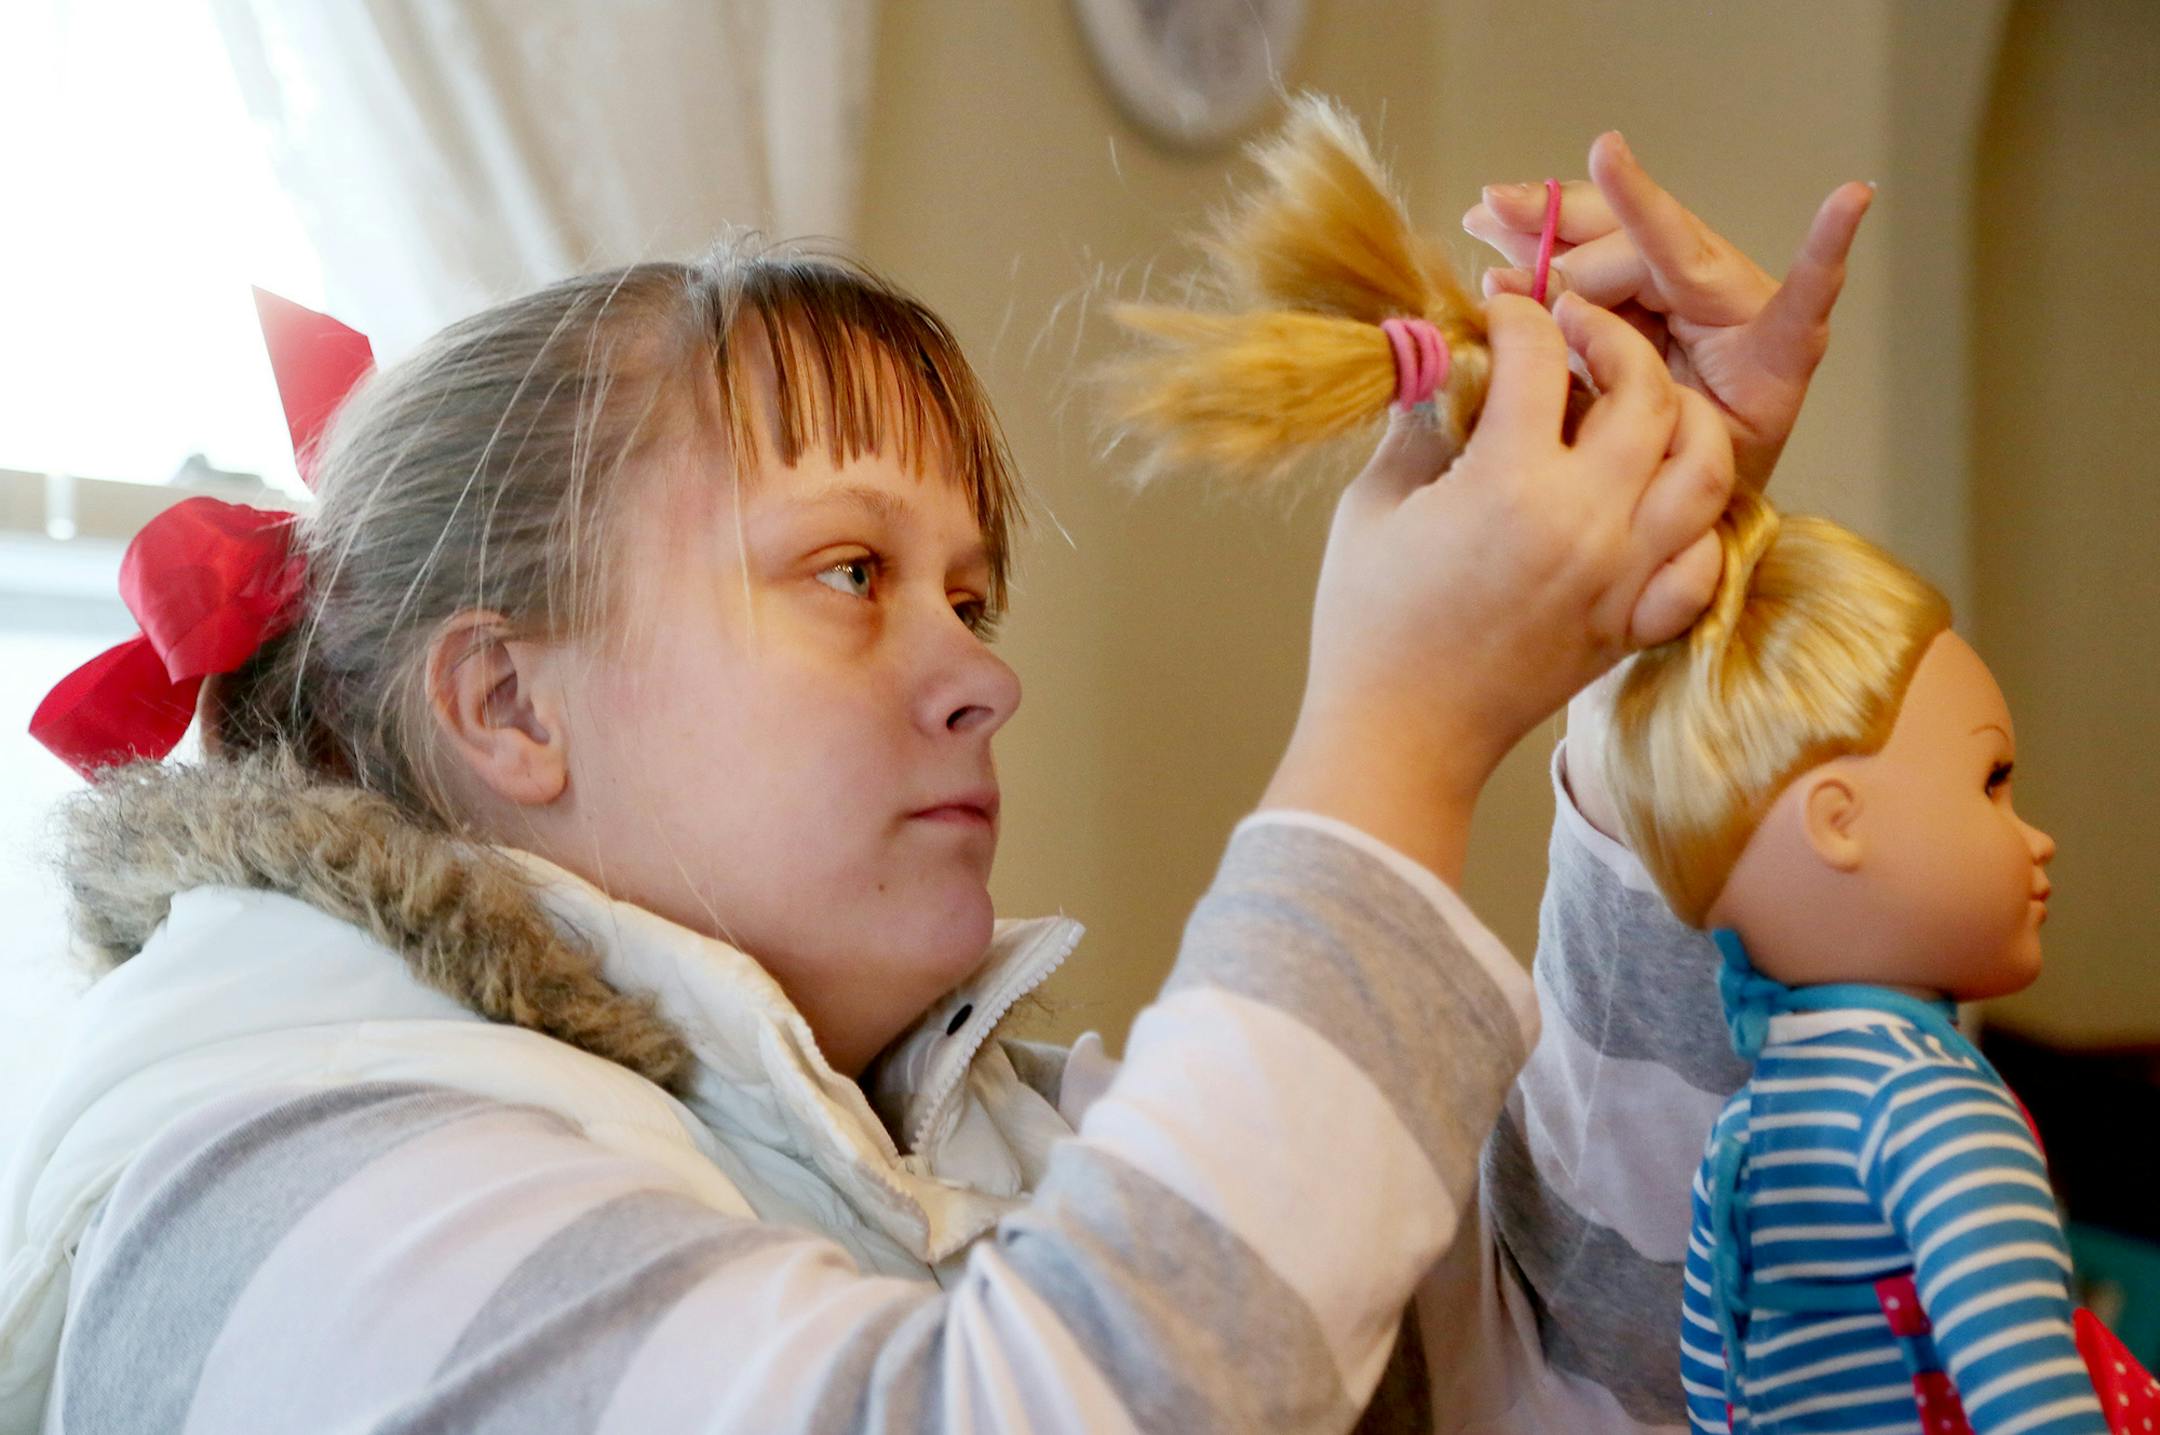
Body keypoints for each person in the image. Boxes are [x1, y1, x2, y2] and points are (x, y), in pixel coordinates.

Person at [0, 224, 1731, 1429]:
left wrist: (1660, 651)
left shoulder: (986, 1156)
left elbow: (1578, 1362)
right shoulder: (299, 1206)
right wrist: (1400, 732)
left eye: (970, 596)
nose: (984, 677)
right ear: (511, 704)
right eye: (848, 572)